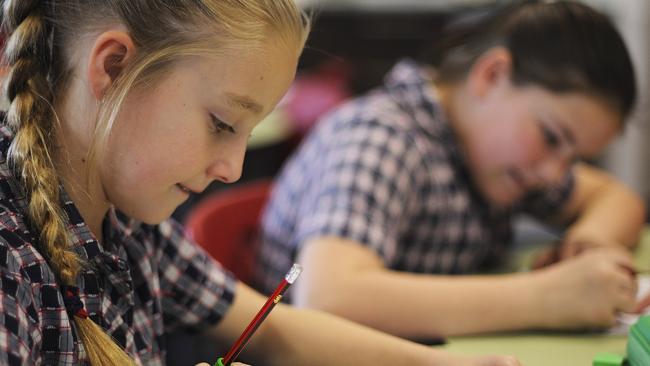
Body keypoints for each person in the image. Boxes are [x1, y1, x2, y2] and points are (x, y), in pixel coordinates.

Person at [0, 1, 522, 365]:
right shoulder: (12, 259)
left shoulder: (131, 225)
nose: (232, 169)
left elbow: (276, 330)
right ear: (114, 67)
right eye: (222, 124)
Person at [256, 0, 648, 340]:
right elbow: (327, 297)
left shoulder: (495, 156)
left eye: (574, 157)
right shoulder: (380, 137)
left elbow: (616, 198)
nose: (554, 174)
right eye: (552, 137)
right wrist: (546, 297)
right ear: (492, 75)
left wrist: (586, 243)